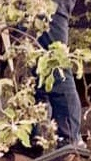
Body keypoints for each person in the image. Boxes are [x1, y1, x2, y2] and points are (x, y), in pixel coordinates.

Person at [36, 0, 83, 150]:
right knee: (35, 72)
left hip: (47, 5)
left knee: (55, 68)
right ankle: (36, 140)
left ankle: (69, 140)